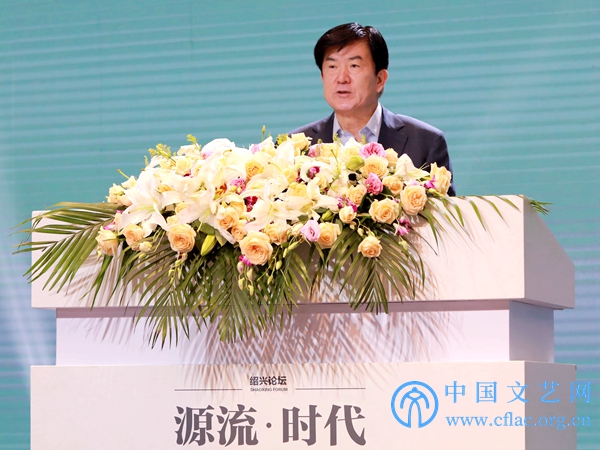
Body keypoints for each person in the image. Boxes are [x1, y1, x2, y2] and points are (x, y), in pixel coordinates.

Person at [290, 22, 455, 195]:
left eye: (354, 66)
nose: (342, 78)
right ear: (322, 77)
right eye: (332, 67)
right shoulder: (295, 147)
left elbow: (446, 212)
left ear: (380, 79)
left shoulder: (425, 142)